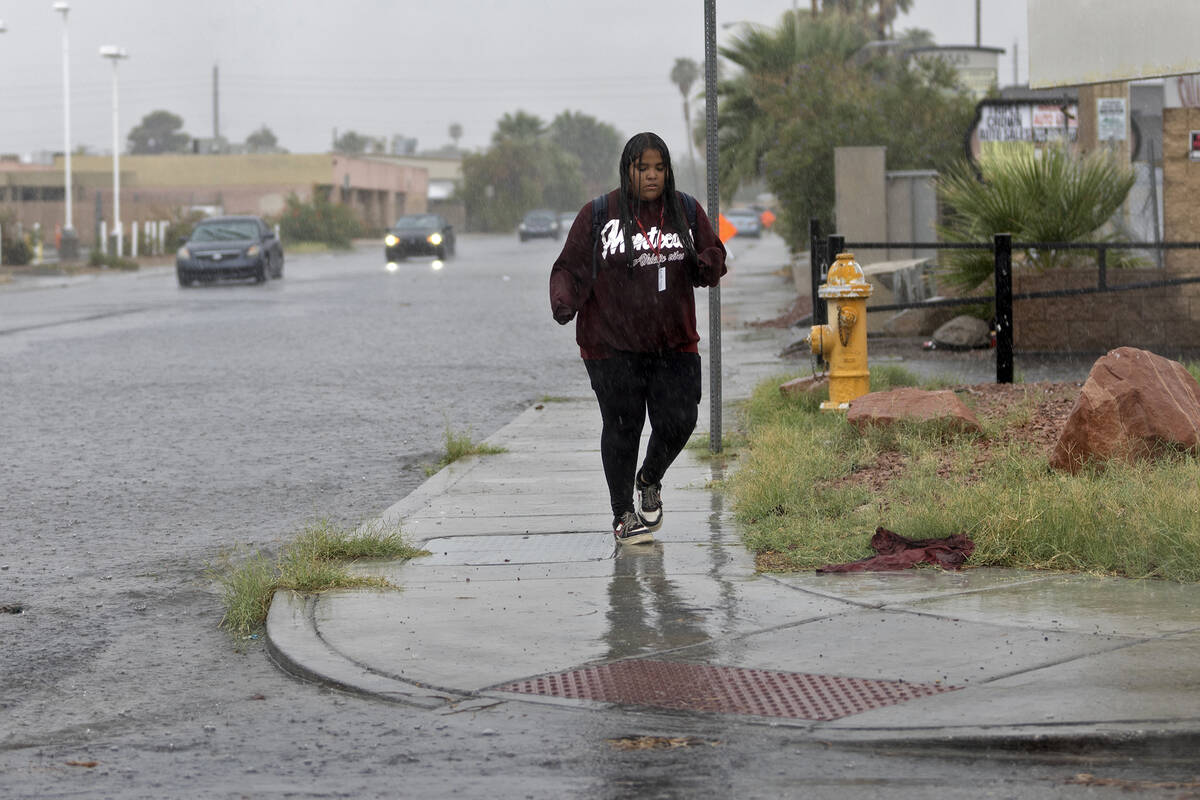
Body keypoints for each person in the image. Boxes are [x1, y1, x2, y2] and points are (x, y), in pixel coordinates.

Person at [549, 132, 727, 545]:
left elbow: (713, 252)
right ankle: (623, 514)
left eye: (658, 168)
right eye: (642, 167)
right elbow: (569, 267)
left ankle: (649, 477)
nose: (651, 176)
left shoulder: (683, 209)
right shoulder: (599, 215)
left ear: (668, 171)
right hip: (611, 347)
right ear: (627, 169)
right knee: (622, 426)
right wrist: (563, 300)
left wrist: (705, 264)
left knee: (681, 419)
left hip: (674, 342)